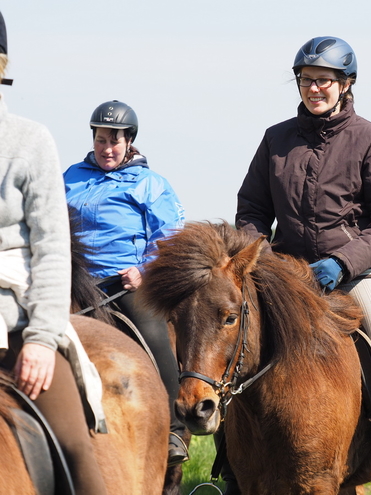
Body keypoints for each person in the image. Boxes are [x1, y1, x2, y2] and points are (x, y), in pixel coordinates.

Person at [235, 37, 371, 494]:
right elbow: (252, 209)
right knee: (239, 356)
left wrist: (341, 264)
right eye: (306, 81)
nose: (314, 89)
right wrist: (257, 257)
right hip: (287, 276)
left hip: (358, 275)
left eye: (324, 81)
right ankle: (231, 467)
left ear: (346, 85)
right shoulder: (276, 139)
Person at [0, 11, 107, 494]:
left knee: (76, 453)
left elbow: (50, 247)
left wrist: (43, 340)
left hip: (20, 321)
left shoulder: (29, 140)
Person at [63, 100, 188, 465]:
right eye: (101, 140)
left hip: (125, 282)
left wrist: (143, 270)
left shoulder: (150, 184)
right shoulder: (71, 176)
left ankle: (173, 432)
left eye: (115, 141)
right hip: (75, 278)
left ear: (129, 141)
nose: (107, 148)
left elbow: (169, 236)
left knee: (154, 337)